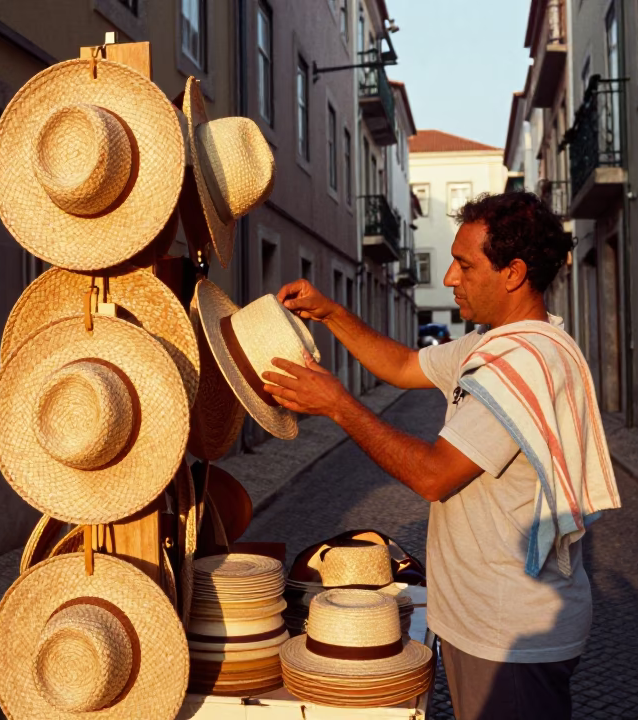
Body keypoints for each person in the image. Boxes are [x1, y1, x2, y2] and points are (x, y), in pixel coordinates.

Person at [263, 191, 619, 720]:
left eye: (464, 264)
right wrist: (332, 313)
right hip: (481, 624)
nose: (450, 278)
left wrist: (339, 406)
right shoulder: (493, 344)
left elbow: (434, 476)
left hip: (507, 637)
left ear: (514, 273)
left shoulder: (521, 363)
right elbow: (407, 365)